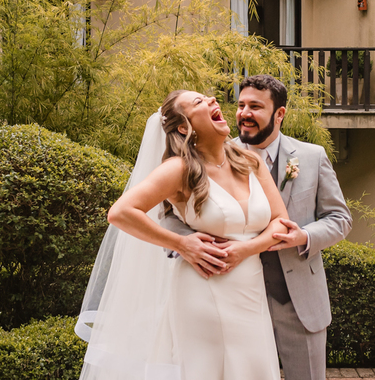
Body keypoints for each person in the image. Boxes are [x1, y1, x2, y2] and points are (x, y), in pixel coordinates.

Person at [78, 90, 289, 380]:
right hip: (203, 289)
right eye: (199, 102)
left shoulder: (250, 161)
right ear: (183, 127)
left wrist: (247, 249)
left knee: (254, 368)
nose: (212, 100)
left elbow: (281, 223)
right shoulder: (179, 169)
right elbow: (121, 212)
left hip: (250, 291)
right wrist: (181, 243)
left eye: (209, 98)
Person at [164, 75, 352, 380]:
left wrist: (304, 236)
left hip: (296, 302)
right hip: (229, 298)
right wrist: (190, 245)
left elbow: (340, 218)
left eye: (255, 106)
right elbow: (172, 214)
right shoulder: (209, 154)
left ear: (279, 114)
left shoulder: (312, 157)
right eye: (240, 105)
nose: (244, 114)